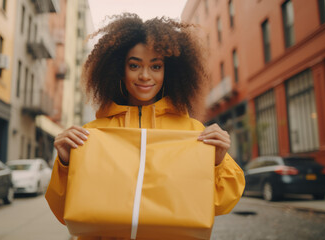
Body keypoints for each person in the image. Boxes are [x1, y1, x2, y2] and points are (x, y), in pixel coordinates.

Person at [46, 13, 245, 239]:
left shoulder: (193, 132)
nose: (144, 76)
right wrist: (64, 163)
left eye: (156, 66)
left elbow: (221, 203)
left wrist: (218, 162)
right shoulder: (92, 133)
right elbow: (65, 213)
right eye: (134, 65)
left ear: (167, 71)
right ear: (119, 69)